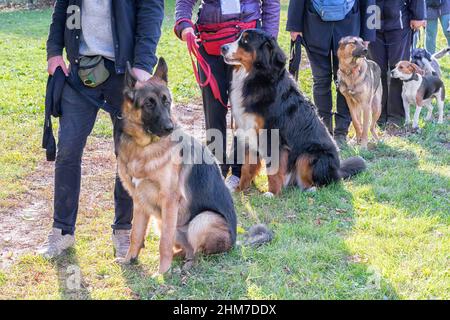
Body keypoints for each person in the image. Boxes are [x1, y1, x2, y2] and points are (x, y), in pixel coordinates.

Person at [38, 0, 164, 259]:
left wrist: (142, 64)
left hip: (125, 74)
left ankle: (123, 230)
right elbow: (62, 7)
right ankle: (62, 231)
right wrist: (54, 52)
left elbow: (151, 10)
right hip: (80, 72)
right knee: (68, 150)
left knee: (128, 155)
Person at [174, 0, 281, 192]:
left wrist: (267, 41)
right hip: (210, 43)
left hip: (247, 47)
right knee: (213, 110)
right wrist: (184, 25)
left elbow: (271, 3)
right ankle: (216, 170)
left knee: (243, 113)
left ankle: (239, 172)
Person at [287, 0, 376, 145]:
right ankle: (325, 130)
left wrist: (369, 33)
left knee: (346, 84)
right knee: (322, 81)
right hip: (317, 27)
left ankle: (341, 132)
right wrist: (294, 26)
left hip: (346, 32)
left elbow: (370, 2)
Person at [368, 0, 426, 127]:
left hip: (399, 22)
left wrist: (418, 15)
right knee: (376, 71)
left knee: (398, 71)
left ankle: (395, 116)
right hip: (371, 20)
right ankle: (378, 114)